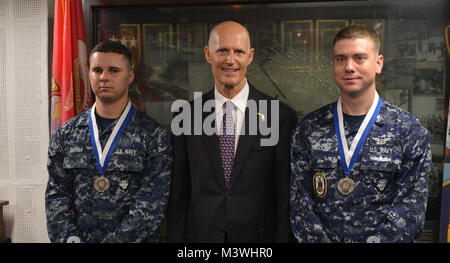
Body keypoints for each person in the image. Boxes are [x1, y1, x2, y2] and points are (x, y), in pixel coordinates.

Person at [290, 24, 432, 243]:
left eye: (359, 58)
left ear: (378, 63)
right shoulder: (309, 128)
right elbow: (301, 203)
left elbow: (410, 211)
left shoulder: (409, 131)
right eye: (340, 59)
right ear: (334, 65)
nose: (349, 67)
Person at [167, 21, 297, 242]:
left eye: (238, 51)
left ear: (250, 56)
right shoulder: (186, 116)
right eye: (222, 51)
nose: (230, 59)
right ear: (208, 54)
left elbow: (285, 194)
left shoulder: (278, 116)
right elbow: (178, 191)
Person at [45, 40, 172, 243]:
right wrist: (69, 238)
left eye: (113, 70)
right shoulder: (66, 134)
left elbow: (152, 204)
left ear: (130, 76)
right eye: (97, 70)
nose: (104, 77)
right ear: (89, 74)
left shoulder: (153, 136)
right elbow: (56, 196)